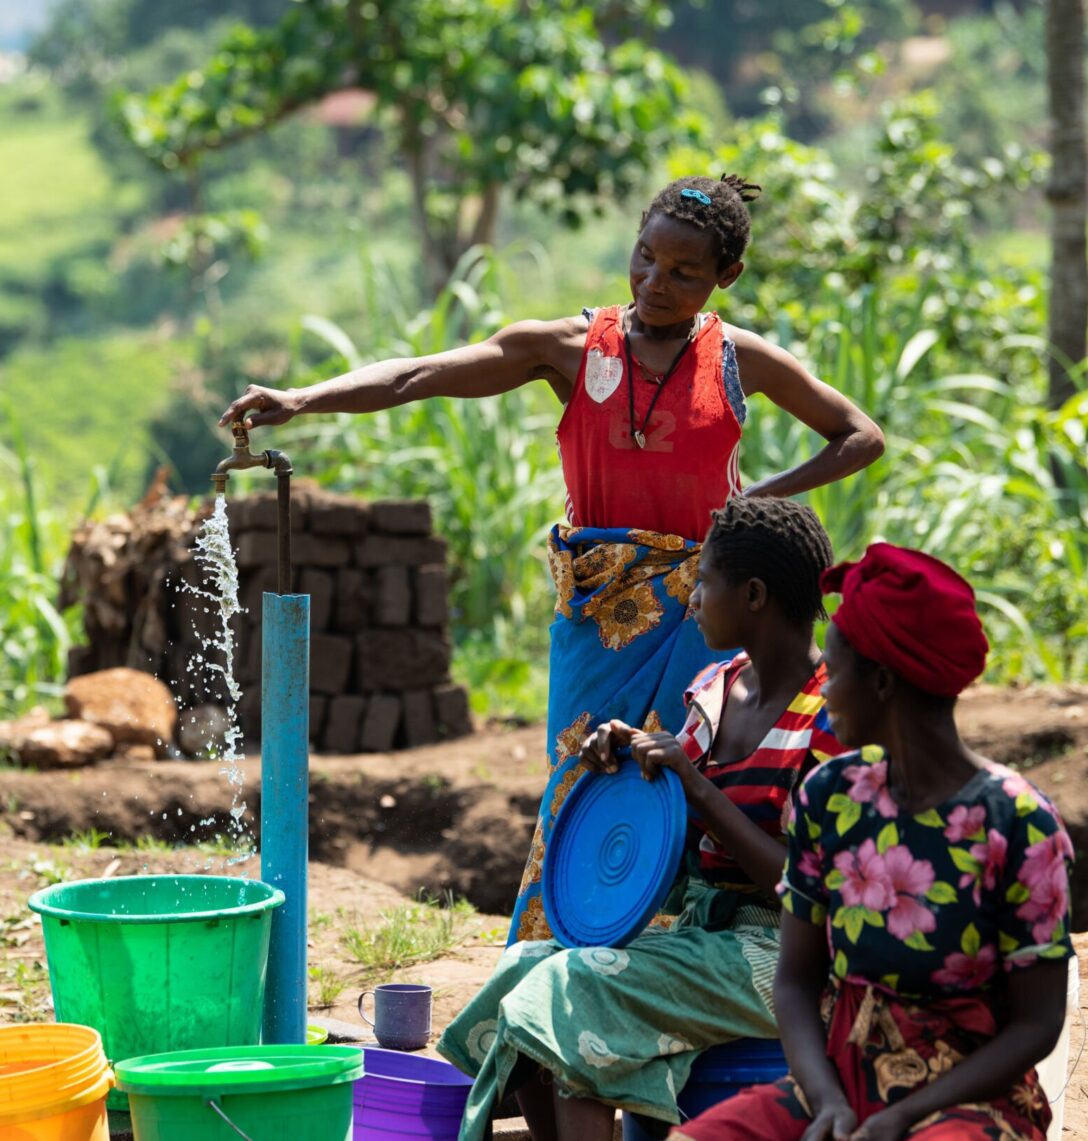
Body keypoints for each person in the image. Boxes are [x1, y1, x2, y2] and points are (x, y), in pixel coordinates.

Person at [220, 175, 885, 942]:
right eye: (644, 259)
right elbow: (416, 376)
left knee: (680, 778)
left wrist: (758, 501)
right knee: (577, 779)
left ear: (724, 277)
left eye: (684, 273)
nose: (654, 283)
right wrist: (304, 398)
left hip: (707, 608)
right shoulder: (570, 349)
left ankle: (673, 957)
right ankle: (556, 957)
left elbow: (858, 434)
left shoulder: (738, 360)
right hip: (598, 609)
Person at [629, 544, 1074, 1141]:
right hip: (841, 1082)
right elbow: (796, 980)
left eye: (833, 673)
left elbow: (1038, 1025)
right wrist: (827, 1104)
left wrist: (900, 1117)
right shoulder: (833, 798)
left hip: (974, 1102)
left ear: (884, 684)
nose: (823, 688)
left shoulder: (1019, 826)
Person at [436, 496, 848, 1141]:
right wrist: (629, 765)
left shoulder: (829, 716)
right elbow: (668, 823)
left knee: (580, 985)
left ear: (753, 596)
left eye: (703, 580)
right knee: (524, 968)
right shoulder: (714, 691)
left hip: (787, 955)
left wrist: (697, 791)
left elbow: (809, 890)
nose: (689, 599)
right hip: (702, 935)